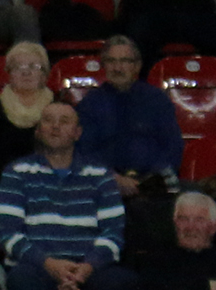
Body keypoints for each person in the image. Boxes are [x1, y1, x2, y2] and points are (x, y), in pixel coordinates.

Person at [0, 99, 137, 290]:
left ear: (77, 132)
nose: (55, 127)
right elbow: (8, 236)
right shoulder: (16, 172)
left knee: (128, 284)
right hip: (37, 267)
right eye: (48, 121)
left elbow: (114, 234)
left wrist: (87, 268)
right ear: (38, 131)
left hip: (88, 267)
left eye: (64, 121)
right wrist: (50, 264)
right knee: (19, 280)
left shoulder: (100, 174)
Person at [73, 35, 179, 205]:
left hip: (153, 186)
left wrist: (149, 180)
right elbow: (85, 151)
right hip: (105, 185)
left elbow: (172, 147)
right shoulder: (89, 104)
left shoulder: (157, 100)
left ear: (137, 66)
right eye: (111, 61)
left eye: (125, 61)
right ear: (103, 65)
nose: (118, 67)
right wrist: (113, 178)